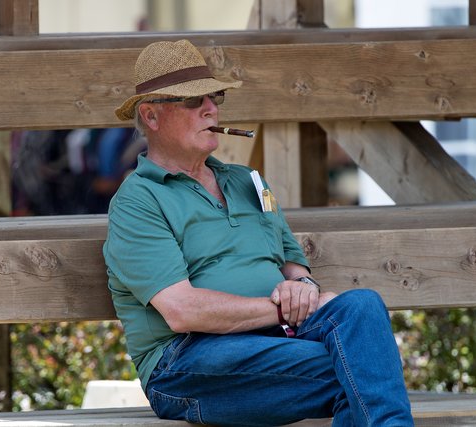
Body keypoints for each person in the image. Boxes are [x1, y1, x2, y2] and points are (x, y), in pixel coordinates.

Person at [103, 39, 414, 427]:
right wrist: (285, 308)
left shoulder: (248, 181)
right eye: (192, 101)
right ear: (151, 117)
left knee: (363, 306)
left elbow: (295, 270)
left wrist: (305, 290)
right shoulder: (138, 200)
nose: (211, 109)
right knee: (360, 366)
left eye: (213, 97)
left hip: (279, 339)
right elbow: (183, 311)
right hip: (188, 360)